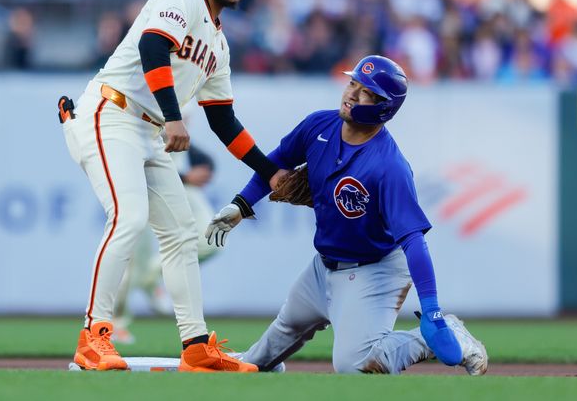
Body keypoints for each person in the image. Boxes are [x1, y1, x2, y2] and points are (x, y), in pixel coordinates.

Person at [59, 0, 286, 372]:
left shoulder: (218, 46)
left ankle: (196, 345)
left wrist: (270, 171)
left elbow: (223, 121)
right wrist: (173, 115)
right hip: (112, 111)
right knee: (128, 216)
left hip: (149, 130)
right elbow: (151, 47)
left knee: (183, 233)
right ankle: (94, 336)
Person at [205, 55, 489, 375]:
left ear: (384, 105)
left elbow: (413, 241)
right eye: (352, 82)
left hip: (374, 270)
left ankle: (450, 333)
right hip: (323, 265)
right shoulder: (319, 125)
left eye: (365, 90)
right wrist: (242, 204)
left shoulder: (389, 166)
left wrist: (433, 311)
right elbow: (276, 164)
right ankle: (265, 365)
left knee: (353, 366)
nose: (351, 93)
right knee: (253, 363)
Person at [112, 142, 222, 344]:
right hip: (143, 186)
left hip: (177, 185)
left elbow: (180, 137)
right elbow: (139, 152)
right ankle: (114, 324)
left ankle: (149, 277)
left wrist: (205, 165)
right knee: (134, 259)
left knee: (211, 238)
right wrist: (187, 176)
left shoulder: (182, 112)